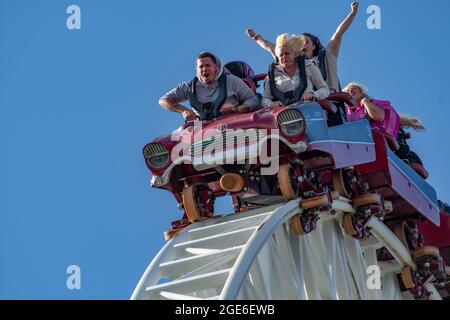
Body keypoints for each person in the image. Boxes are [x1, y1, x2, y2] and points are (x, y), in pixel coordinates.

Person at [246, 2, 359, 93]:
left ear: (314, 46)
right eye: (299, 44)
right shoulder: (290, 61)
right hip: (303, 107)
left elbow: (338, 34)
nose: (302, 45)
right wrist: (256, 37)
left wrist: (353, 13)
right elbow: (271, 48)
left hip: (329, 106)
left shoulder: (326, 57)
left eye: (305, 42)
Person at [159, 52, 259, 121]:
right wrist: (183, 111)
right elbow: (163, 101)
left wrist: (237, 109)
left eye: (208, 66)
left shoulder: (231, 80)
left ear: (215, 67)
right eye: (201, 67)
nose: (204, 69)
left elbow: (254, 100)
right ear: (197, 69)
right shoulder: (189, 87)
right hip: (205, 130)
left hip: (236, 124)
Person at [262, 33, 330, 108]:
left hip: (309, 111)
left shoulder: (308, 66)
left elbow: (325, 89)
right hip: (284, 116)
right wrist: (269, 104)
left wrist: (314, 95)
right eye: (281, 55)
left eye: (287, 53)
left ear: (295, 55)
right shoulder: (272, 75)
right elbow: (265, 98)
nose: (284, 57)